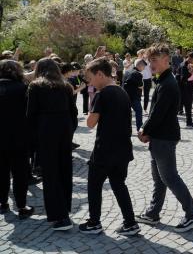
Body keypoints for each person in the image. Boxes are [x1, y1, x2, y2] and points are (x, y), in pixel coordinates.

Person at [136, 44, 193, 232]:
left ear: (166, 60)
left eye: (155, 60)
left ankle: (192, 214)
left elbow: (158, 113)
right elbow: (156, 113)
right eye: (150, 60)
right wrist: (148, 130)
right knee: (159, 178)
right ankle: (153, 213)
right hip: (160, 136)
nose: (151, 64)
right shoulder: (163, 80)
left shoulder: (168, 83)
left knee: (170, 177)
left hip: (164, 138)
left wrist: (144, 130)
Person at [78, 58, 140, 236]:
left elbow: (90, 123)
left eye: (90, 79)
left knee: (94, 185)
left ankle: (94, 222)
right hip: (123, 149)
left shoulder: (101, 94)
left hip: (105, 150)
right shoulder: (122, 92)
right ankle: (130, 223)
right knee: (119, 185)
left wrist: (92, 103)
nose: (90, 83)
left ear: (100, 74)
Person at [26, 58, 77, 230]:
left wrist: (33, 139)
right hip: (64, 129)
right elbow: (73, 113)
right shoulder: (66, 86)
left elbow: (30, 115)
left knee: (51, 173)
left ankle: (59, 216)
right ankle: (65, 210)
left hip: (46, 131)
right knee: (64, 170)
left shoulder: (36, 86)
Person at [0, 60, 35, 219]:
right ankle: (21, 206)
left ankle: (3, 203)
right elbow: (30, 113)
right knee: (20, 172)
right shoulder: (23, 88)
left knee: (1, 171)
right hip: (19, 138)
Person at [123, 58, 146, 132]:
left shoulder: (127, 71)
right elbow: (141, 86)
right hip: (134, 97)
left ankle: (127, 129)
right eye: (144, 66)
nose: (144, 68)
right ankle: (140, 128)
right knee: (139, 112)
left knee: (127, 114)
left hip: (125, 96)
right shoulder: (138, 74)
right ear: (140, 66)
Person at [179, 52, 193, 128]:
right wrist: (190, 73)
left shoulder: (188, 64)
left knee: (188, 105)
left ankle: (189, 122)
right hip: (184, 88)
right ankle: (189, 122)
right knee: (187, 105)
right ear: (190, 58)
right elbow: (183, 78)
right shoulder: (184, 65)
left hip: (189, 87)